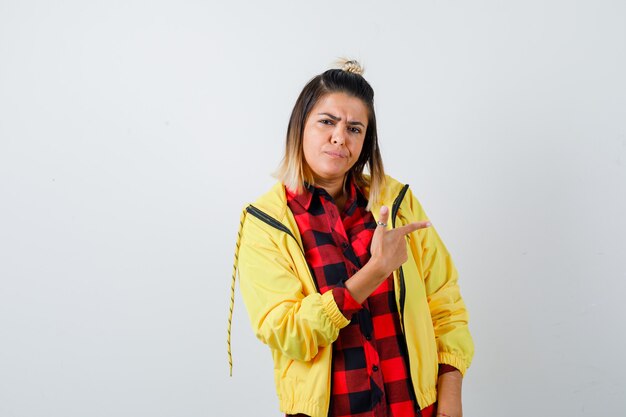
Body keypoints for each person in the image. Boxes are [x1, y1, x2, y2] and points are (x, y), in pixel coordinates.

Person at [227, 59, 474, 417]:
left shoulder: (397, 203)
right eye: (327, 122)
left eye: (355, 128)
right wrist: (375, 271)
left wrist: (450, 401)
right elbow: (288, 332)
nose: (340, 137)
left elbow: (445, 304)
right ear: (300, 127)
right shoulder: (266, 223)